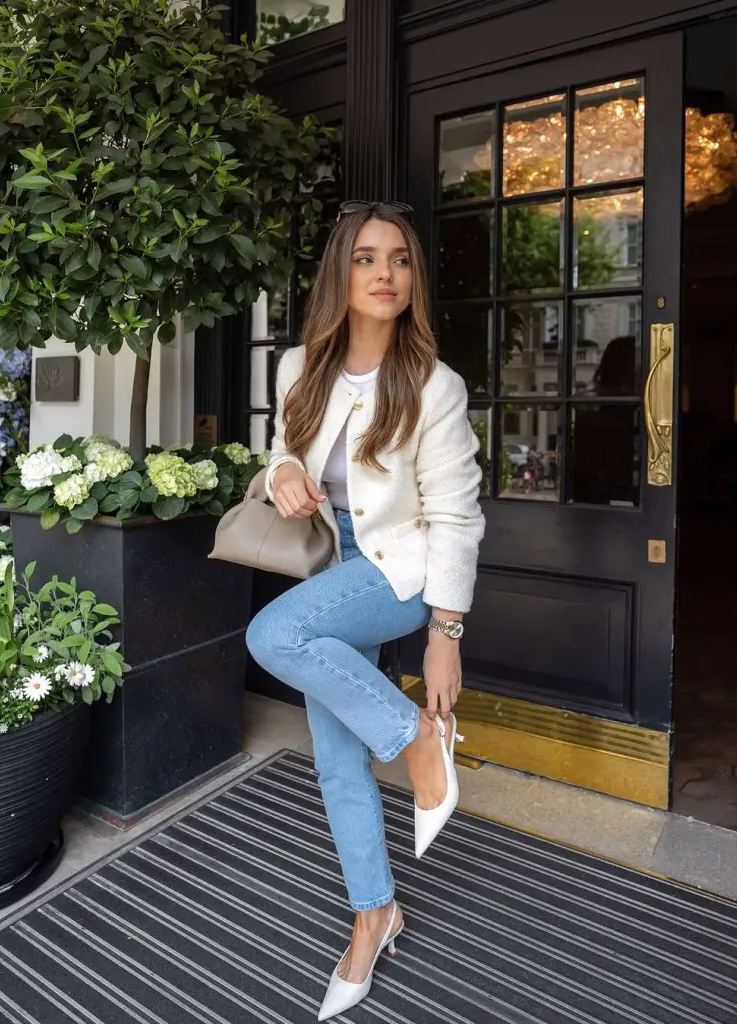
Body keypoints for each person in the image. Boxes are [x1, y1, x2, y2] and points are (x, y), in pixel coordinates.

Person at [245, 199, 485, 1021]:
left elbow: (456, 515)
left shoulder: (434, 387)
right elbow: (278, 451)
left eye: (401, 260)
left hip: (401, 574)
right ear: (341, 274)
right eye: (367, 259)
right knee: (334, 756)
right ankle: (374, 914)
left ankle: (420, 740)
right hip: (333, 566)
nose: (385, 275)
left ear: (414, 280)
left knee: (274, 633)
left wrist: (445, 634)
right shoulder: (298, 368)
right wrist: (277, 473)